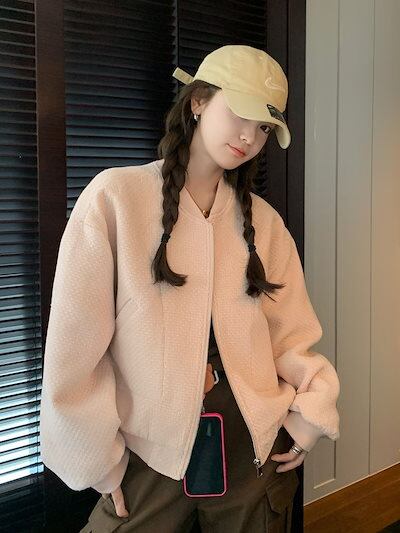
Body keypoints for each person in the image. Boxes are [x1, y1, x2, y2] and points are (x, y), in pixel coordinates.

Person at [39, 44, 340, 532]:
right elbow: (74, 345)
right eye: (239, 113)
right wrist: (97, 460)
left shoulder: (264, 223)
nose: (250, 137)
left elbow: (292, 335)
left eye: (265, 128)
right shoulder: (116, 199)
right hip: (149, 448)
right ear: (198, 101)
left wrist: (308, 415)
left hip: (251, 444)